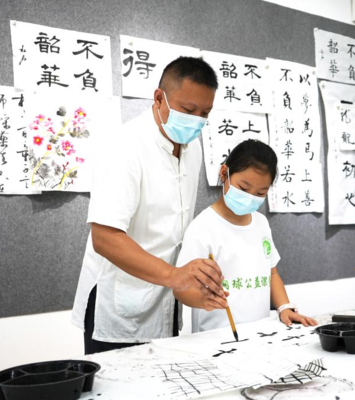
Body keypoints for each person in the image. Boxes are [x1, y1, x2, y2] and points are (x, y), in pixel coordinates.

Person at [71, 57, 228, 355]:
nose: (197, 120)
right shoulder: (124, 146)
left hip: (165, 300)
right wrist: (174, 275)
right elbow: (104, 239)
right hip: (115, 304)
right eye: (189, 110)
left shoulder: (192, 148)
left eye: (205, 113)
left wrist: (190, 277)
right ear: (159, 98)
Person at [174, 139, 317, 333]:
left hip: (260, 333)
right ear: (225, 173)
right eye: (243, 188)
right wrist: (202, 300)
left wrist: (284, 307)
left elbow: (272, 273)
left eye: (260, 192)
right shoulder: (202, 227)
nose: (251, 196)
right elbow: (180, 288)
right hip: (216, 337)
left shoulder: (261, 223)